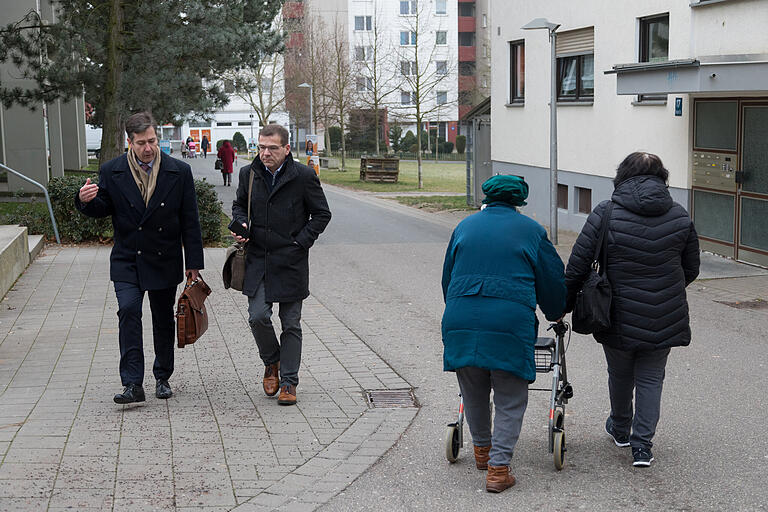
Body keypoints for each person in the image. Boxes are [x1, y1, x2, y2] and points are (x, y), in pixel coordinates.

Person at [564, 152, 699, 468]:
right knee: (652, 378)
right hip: (665, 315)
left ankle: (621, 429)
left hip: (615, 314)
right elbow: (690, 268)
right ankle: (643, 447)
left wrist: (564, 305)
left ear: (622, 177)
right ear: (661, 178)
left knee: (620, 373)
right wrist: (665, 291)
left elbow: (578, 266)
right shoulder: (679, 215)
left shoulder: (605, 212)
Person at [441, 175, 566, 493]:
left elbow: (447, 280)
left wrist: (461, 308)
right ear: (519, 200)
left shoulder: (464, 227)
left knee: (473, 388)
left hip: (460, 318)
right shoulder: (532, 231)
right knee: (510, 397)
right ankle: (498, 469)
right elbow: (551, 284)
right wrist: (555, 313)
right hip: (509, 323)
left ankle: (482, 452)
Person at [75, 111, 204, 404]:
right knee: (129, 311)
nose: (148, 148)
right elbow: (103, 207)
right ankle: (133, 383)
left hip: (164, 256)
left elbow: (190, 220)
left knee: (162, 318)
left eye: (152, 141)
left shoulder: (178, 171)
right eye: (142, 142)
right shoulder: (112, 170)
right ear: (129, 142)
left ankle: (162, 377)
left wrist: (193, 264)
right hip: (128, 258)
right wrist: (84, 201)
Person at [231, 124, 331, 406]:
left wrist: (301, 242)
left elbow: (322, 214)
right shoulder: (247, 174)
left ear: (286, 149)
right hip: (258, 258)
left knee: (291, 323)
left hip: (291, 261)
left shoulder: (303, 176)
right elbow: (239, 205)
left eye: (272, 148)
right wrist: (240, 223)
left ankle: (288, 382)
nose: (265, 153)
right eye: (261, 147)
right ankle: (271, 362)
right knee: (257, 316)